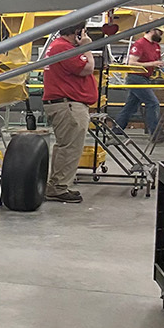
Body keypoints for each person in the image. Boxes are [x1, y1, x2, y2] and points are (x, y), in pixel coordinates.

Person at [41, 24, 98, 204]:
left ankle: (57, 185)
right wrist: (87, 47)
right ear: (78, 32)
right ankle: (58, 188)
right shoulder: (63, 48)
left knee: (65, 146)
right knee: (70, 148)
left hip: (65, 104)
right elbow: (88, 68)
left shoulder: (57, 46)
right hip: (69, 105)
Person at [114, 26, 164, 144]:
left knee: (130, 107)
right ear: (152, 30)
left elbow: (159, 64)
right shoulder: (139, 44)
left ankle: (116, 130)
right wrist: (152, 63)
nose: (161, 35)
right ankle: (156, 134)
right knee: (153, 103)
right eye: (159, 32)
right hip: (136, 78)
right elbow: (131, 62)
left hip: (145, 78)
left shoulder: (156, 46)